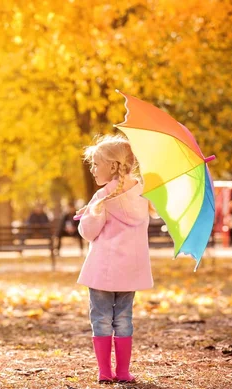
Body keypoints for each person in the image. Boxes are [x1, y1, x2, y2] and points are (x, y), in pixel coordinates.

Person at [75, 134, 158, 383]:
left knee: (100, 319)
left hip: (103, 272)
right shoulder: (143, 195)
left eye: (96, 163)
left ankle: (104, 372)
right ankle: (122, 372)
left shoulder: (103, 197)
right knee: (123, 319)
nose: (92, 168)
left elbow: (89, 233)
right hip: (130, 273)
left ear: (112, 166)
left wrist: (90, 212)